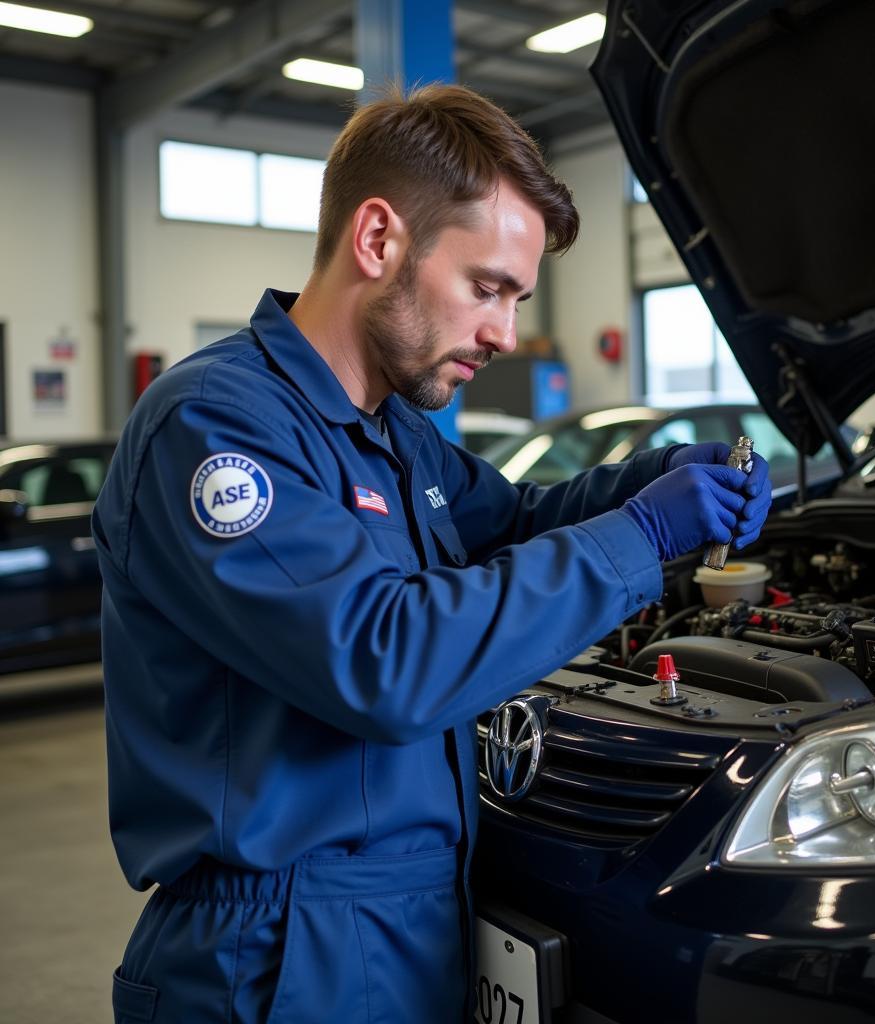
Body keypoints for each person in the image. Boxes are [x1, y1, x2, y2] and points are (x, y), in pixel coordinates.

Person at [93, 84, 770, 1024]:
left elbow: (514, 522)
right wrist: (645, 535)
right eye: (486, 287)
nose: (502, 332)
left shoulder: (393, 433)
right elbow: (386, 659)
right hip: (274, 955)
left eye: (516, 298)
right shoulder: (215, 426)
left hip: (415, 922)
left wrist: (649, 481)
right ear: (378, 240)